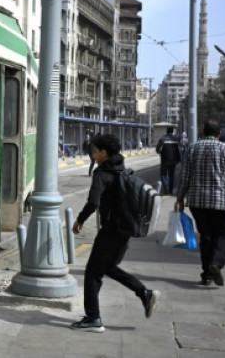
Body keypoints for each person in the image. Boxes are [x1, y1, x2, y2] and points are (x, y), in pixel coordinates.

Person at [70, 134, 160, 332]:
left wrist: (80, 220)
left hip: (110, 230)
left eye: (94, 151)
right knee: (109, 267)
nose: (92, 155)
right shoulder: (122, 170)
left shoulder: (101, 174)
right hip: (124, 229)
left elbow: (93, 202)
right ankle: (144, 293)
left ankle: (93, 319)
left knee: (93, 273)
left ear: (103, 153)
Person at [175, 119, 225, 287]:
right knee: (223, 234)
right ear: (218, 134)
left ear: (202, 132)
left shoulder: (193, 149)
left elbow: (184, 176)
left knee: (206, 237)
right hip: (220, 202)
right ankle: (216, 264)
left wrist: (180, 198)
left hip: (197, 202)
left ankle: (206, 274)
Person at [155, 127, 182, 195]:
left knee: (163, 175)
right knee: (171, 175)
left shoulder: (162, 139)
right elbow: (179, 149)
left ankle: (165, 187)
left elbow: (158, 149)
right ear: (172, 131)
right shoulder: (176, 139)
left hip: (165, 160)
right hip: (173, 160)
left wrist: (160, 152)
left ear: (166, 131)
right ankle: (170, 190)